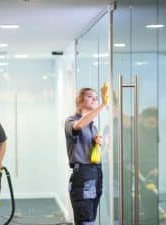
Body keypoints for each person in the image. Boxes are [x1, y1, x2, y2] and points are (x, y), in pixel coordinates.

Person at [65, 87, 107, 225]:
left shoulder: (93, 127)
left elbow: (98, 154)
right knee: (85, 220)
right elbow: (79, 125)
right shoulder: (71, 121)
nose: (94, 98)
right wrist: (103, 105)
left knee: (90, 218)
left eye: (96, 97)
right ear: (79, 102)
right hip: (83, 176)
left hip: (96, 173)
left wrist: (99, 145)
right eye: (90, 96)